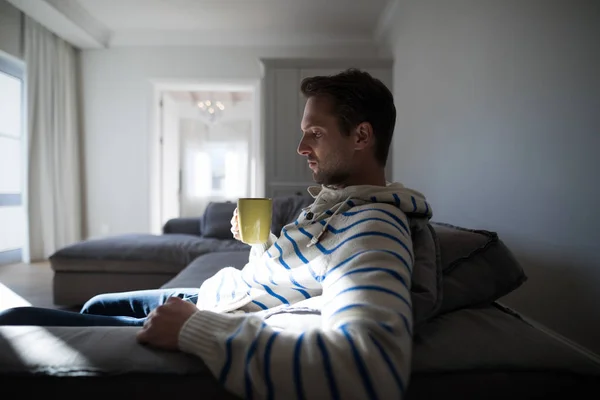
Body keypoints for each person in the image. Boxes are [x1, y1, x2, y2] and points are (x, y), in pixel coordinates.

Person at [0, 68, 432, 399]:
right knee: (97, 303)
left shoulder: (373, 226)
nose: (302, 149)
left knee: (16, 321)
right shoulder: (338, 203)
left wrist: (195, 331)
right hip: (217, 296)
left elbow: (368, 367)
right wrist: (259, 245)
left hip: (215, 313)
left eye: (314, 134)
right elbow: (294, 277)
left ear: (361, 135)